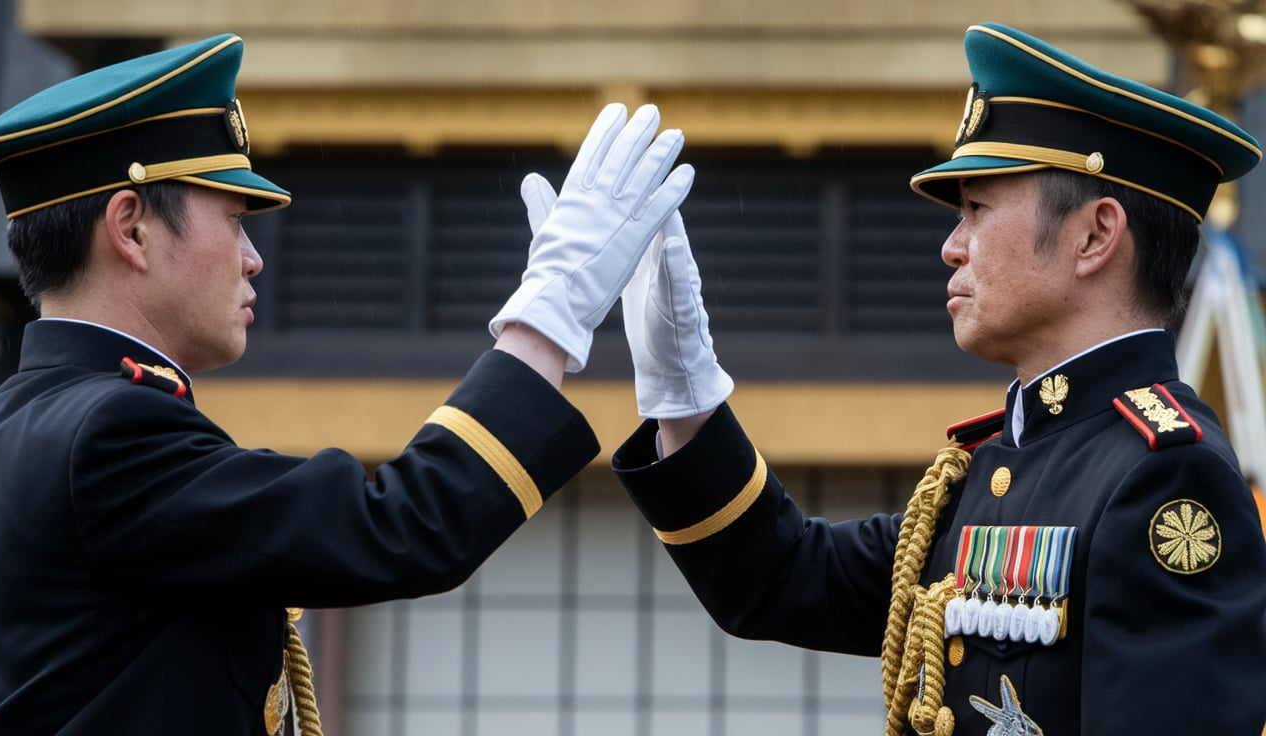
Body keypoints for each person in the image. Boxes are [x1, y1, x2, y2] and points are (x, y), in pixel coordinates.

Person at [521, 21, 1266, 735]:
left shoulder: (1167, 475)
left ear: (1096, 235)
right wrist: (681, 393)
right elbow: (779, 579)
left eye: (976, 209)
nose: (952, 246)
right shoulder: (989, 467)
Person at [0, 34, 693, 735]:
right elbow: (402, 526)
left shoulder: (34, 421)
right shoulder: (109, 434)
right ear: (131, 229)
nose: (253, 259)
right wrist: (548, 319)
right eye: (236, 219)